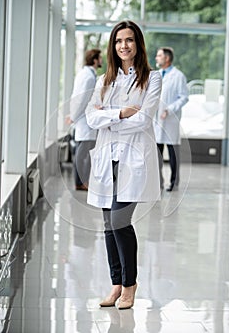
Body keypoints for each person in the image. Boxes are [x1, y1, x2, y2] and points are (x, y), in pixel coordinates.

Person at [85, 20, 162, 309]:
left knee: (120, 221)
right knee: (108, 224)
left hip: (133, 160)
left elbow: (144, 119)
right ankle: (116, 284)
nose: (124, 46)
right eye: (119, 41)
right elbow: (91, 118)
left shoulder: (151, 79)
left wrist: (108, 117)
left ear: (137, 44)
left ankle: (130, 284)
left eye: (129, 40)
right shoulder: (104, 80)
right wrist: (121, 114)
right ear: (112, 46)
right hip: (108, 160)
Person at [67, 49, 102, 190]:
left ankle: (83, 182)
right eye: (100, 58)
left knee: (84, 154)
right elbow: (81, 99)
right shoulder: (88, 77)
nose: (101, 60)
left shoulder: (86, 74)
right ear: (94, 60)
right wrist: (73, 116)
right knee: (82, 155)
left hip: (84, 119)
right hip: (85, 121)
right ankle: (80, 183)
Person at [154, 47, 188, 192]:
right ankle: (158, 182)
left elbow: (184, 97)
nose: (156, 58)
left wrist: (169, 109)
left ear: (167, 58)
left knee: (173, 154)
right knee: (156, 155)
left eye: (159, 55)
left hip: (170, 121)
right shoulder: (156, 75)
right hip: (156, 121)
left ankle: (174, 182)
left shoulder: (178, 76)